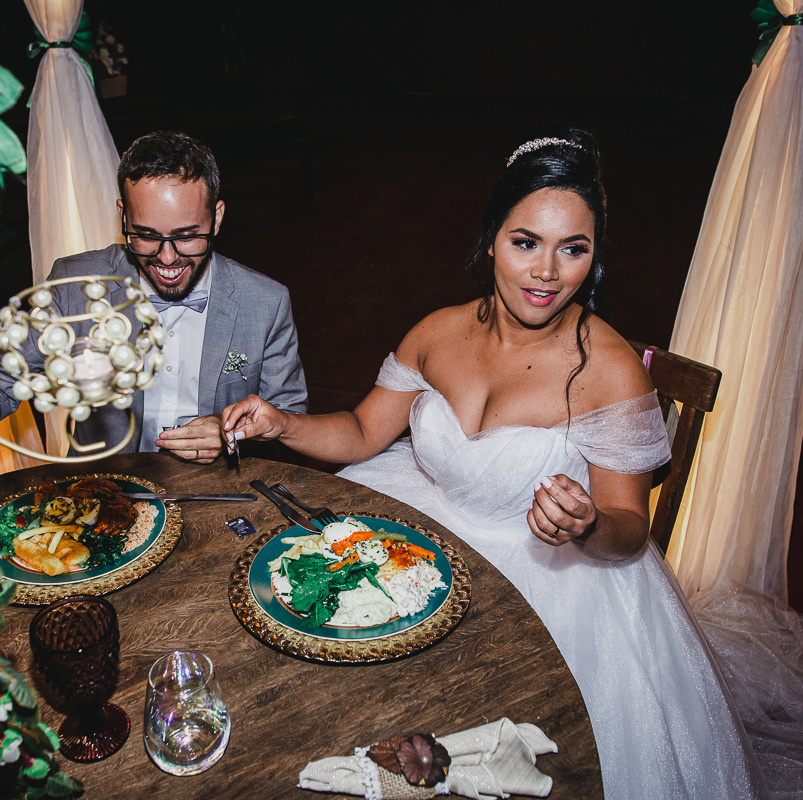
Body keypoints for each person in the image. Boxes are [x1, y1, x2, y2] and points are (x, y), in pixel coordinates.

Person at [222, 130, 766, 799]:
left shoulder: (611, 369)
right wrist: (282, 424)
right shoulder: (437, 332)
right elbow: (365, 430)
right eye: (525, 242)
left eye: (574, 249)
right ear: (491, 238)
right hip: (424, 536)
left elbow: (630, 529)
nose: (546, 271)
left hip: (551, 583)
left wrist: (588, 524)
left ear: (594, 260)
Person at [0, 130, 308, 491]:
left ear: (217, 217)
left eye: (187, 237)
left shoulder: (265, 302)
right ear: (123, 215)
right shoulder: (76, 285)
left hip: (220, 496)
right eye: (146, 236)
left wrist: (232, 435)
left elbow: (289, 417)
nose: (167, 258)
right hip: (100, 496)